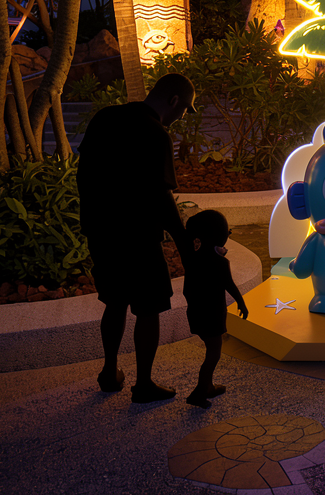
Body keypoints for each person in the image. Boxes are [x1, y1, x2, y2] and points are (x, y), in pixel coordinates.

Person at [77, 73, 196, 403]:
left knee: (114, 301)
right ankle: (143, 384)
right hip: (139, 236)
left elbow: (83, 175)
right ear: (173, 101)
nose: (181, 116)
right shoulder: (156, 133)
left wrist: (92, 223)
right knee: (148, 308)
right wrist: (183, 243)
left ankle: (109, 371)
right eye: (184, 109)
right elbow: (162, 197)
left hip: (102, 233)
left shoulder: (105, 118)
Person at [178, 210, 248, 408]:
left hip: (196, 313)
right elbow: (229, 285)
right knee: (213, 353)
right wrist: (241, 303)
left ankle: (207, 386)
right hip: (212, 315)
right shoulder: (220, 262)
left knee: (211, 349)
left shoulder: (192, 259)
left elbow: (186, 290)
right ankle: (200, 391)